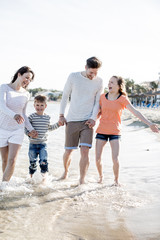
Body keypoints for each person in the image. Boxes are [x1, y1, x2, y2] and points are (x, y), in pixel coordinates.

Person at [95, 76, 159, 185]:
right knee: (97, 159)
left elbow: (136, 112)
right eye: (109, 82)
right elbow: (98, 113)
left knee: (115, 159)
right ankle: (101, 177)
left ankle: (116, 180)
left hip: (115, 132)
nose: (109, 84)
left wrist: (149, 124)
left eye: (112, 82)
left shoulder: (122, 99)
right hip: (101, 130)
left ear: (119, 86)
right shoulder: (102, 97)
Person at [58, 56, 103, 184]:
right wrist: (61, 115)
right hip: (72, 119)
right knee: (68, 151)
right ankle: (65, 172)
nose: (93, 75)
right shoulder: (73, 76)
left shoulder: (99, 81)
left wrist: (93, 118)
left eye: (96, 73)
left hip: (87, 122)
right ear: (85, 68)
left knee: (85, 151)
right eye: (91, 72)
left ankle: (81, 180)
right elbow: (65, 95)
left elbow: (97, 103)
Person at [0, 66, 37, 184]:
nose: (28, 81)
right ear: (19, 75)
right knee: (5, 160)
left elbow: (24, 115)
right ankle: (4, 183)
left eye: (30, 79)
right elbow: (2, 106)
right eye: (26, 77)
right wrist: (14, 115)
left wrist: (30, 129)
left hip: (17, 130)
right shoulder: (4, 88)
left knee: (12, 160)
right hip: (2, 129)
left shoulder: (26, 94)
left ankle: (3, 188)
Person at [25, 95, 60, 179]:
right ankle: (31, 179)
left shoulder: (47, 117)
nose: (39, 107)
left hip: (43, 144)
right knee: (32, 163)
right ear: (34, 105)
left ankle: (44, 179)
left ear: (45, 106)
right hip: (32, 144)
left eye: (41, 105)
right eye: (37, 105)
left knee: (43, 162)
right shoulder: (31, 117)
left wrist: (58, 124)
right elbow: (25, 128)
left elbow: (50, 128)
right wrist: (29, 134)